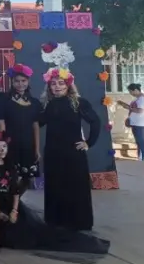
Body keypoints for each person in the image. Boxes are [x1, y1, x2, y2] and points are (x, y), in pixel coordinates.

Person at [39, 67, 101, 231]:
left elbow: (95, 122)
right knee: (55, 186)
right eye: (54, 84)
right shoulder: (48, 104)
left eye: (61, 83)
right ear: (49, 86)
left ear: (68, 85)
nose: (57, 87)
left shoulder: (78, 102)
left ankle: (79, 221)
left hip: (73, 154)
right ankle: (56, 220)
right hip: (53, 153)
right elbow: (37, 122)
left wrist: (88, 142)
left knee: (75, 187)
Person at [3, 65, 42, 192]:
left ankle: (18, 203)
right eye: (17, 81)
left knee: (27, 178)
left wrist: (36, 149)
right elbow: (1, 123)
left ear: (28, 81)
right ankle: (10, 206)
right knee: (10, 177)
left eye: (23, 81)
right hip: (10, 144)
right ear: (12, 82)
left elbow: (35, 126)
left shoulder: (35, 103)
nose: (20, 84)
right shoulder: (5, 100)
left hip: (28, 145)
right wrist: (3, 144)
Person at [0, 131, 19, 248]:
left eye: (4, 146)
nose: (2, 149)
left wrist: (14, 211)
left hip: (8, 205)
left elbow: (16, 191)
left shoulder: (11, 167)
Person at [118, 83, 144, 161]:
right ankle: (140, 158)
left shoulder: (142, 99)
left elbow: (140, 110)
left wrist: (128, 107)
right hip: (135, 123)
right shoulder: (137, 99)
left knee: (140, 141)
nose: (130, 93)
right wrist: (125, 106)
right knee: (138, 142)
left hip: (140, 124)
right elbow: (133, 108)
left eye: (131, 91)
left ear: (136, 90)